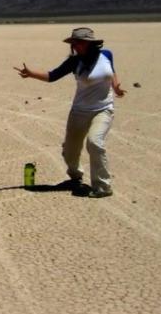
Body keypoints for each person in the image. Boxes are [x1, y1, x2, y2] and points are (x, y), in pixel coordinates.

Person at [14, 27, 125, 198]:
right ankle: (75, 177)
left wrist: (116, 87)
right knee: (70, 150)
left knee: (95, 143)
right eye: (74, 43)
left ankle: (102, 186)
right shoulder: (74, 62)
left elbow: (112, 71)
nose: (76, 46)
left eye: (79, 43)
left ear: (90, 43)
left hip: (103, 108)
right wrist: (30, 74)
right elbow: (52, 76)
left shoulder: (107, 55)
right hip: (80, 111)